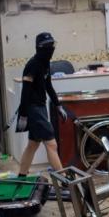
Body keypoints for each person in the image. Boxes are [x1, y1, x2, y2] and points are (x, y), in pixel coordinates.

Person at [17, 32, 68, 177]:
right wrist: (23, 114)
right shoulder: (32, 65)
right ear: (40, 47)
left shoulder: (45, 63)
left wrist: (58, 105)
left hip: (40, 107)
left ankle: (22, 175)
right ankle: (63, 180)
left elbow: (48, 86)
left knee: (33, 144)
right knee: (51, 144)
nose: (51, 48)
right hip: (33, 109)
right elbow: (25, 91)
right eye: (48, 46)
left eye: (52, 45)